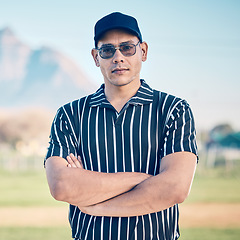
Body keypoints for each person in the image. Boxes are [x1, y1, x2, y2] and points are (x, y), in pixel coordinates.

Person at [45, 12, 198, 240]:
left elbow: (174, 189)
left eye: (127, 48)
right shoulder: (70, 115)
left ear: (143, 51)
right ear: (96, 57)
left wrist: (95, 204)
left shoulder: (173, 110)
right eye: (108, 50)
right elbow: (62, 186)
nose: (118, 57)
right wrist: (143, 179)